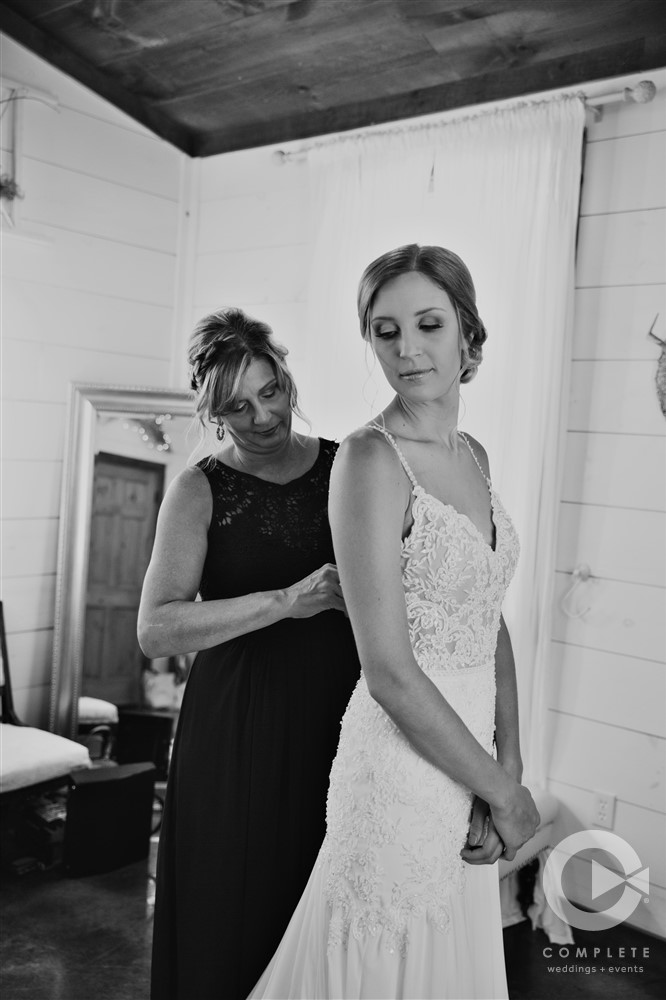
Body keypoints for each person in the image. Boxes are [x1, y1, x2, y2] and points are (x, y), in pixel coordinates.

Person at [248, 245, 540, 1000]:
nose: (407, 348)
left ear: (468, 336)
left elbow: (489, 620)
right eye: (385, 330)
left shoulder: (472, 453)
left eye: (428, 324)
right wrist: (505, 798)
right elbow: (388, 671)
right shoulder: (370, 462)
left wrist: (506, 768)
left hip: (469, 759)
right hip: (399, 770)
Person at [139, 308, 361, 1000]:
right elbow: (157, 629)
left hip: (339, 710)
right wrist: (284, 601)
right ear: (214, 412)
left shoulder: (346, 465)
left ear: (287, 376)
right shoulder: (199, 488)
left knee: (318, 890)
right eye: (238, 406)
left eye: (272, 391)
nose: (264, 416)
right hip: (237, 722)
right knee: (235, 895)